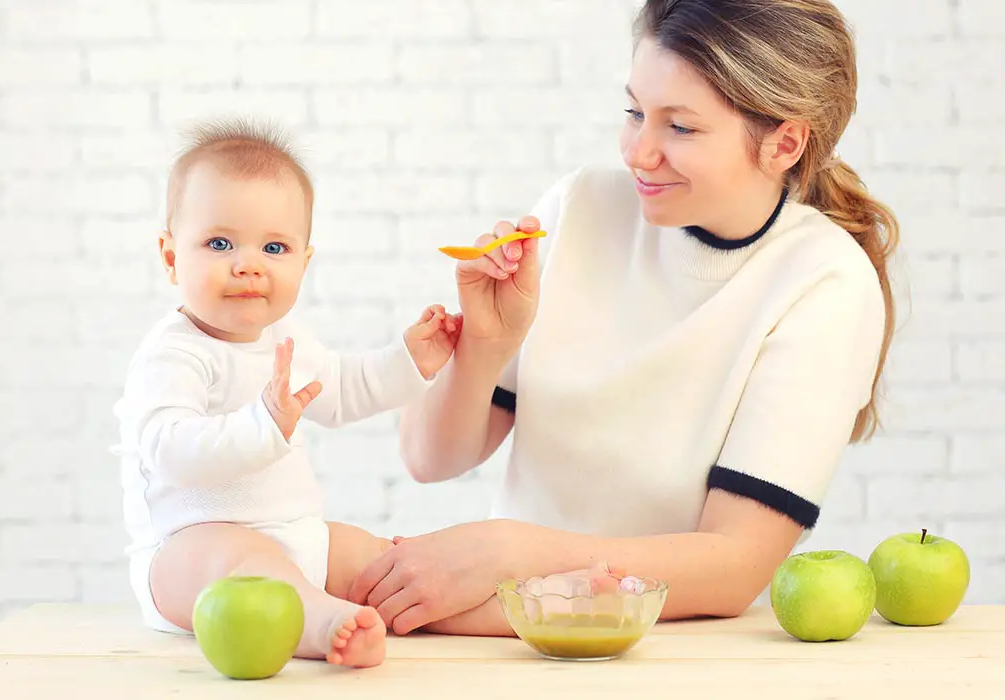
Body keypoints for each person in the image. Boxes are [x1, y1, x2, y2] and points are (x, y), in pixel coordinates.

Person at [348, 0, 901, 638]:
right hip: (513, 629)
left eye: (681, 128)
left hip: (666, 649)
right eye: (636, 112)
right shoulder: (580, 208)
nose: (640, 153)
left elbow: (735, 566)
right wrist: (485, 346)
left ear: (784, 142)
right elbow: (428, 457)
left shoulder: (823, 279)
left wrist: (518, 554)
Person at [112, 119, 466, 668]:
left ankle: (508, 610)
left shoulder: (287, 338)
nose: (248, 262)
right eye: (219, 242)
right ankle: (322, 622)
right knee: (245, 556)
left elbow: (344, 389)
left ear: (304, 262)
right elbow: (168, 450)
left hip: (295, 539)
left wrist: (409, 361)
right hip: (190, 560)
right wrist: (264, 424)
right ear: (170, 255)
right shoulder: (174, 354)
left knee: (383, 564)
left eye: (274, 247)